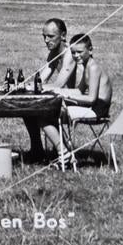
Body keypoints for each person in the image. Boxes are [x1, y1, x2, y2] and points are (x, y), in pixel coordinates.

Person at [23, 18, 75, 161]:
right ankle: (37, 150)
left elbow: (58, 85)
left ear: (63, 36)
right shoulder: (54, 53)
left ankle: (64, 153)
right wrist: (23, 86)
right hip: (66, 98)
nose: (46, 40)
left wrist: (30, 87)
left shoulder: (70, 53)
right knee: (25, 108)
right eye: (44, 36)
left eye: (51, 36)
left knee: (40, 110)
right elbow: (41, 79)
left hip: (80, 99)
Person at [58, 33, 113, 120]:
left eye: (79, 52)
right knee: (52, 107)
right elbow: (79, 91)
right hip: (92, 107)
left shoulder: (93, 68)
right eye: (73, 52)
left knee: (54, 112)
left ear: (90, 50)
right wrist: (58, 91)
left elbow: (91, 99)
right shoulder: (87, 67)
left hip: (98, 110)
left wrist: (67, 96)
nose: (76, 55)